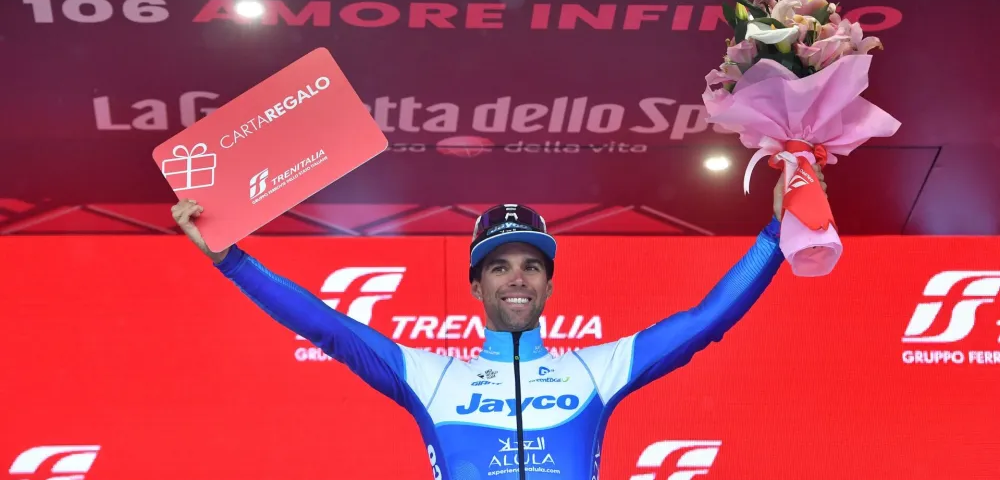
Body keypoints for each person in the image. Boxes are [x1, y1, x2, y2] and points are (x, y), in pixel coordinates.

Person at [171, 164, 826, 480]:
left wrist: (774, 233)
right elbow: (327, 327)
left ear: (548, 283)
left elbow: (705, 321)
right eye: (500, 266)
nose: (517, 277)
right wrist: (232, 261)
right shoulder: (432, 376)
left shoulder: (594, 368)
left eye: (531, 267)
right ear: (476, 284)